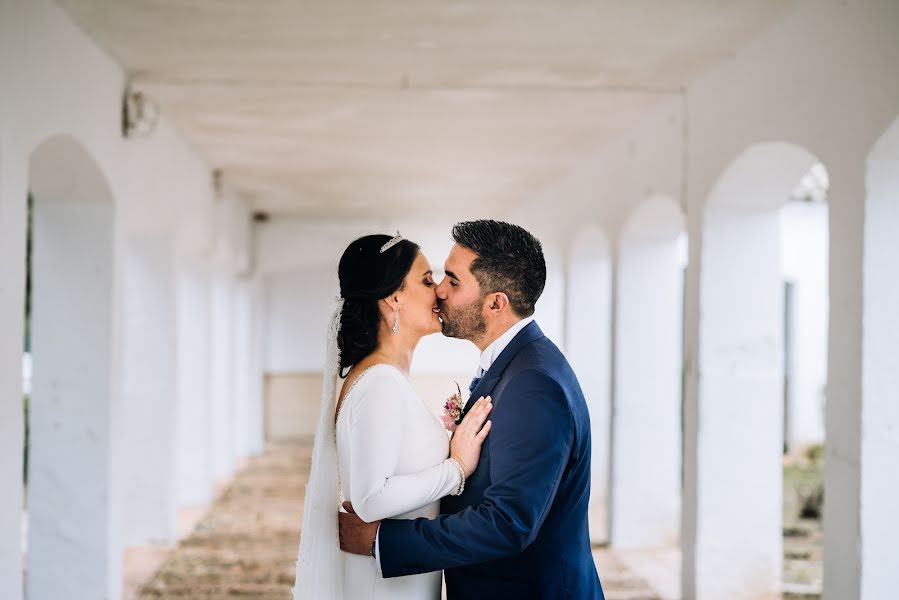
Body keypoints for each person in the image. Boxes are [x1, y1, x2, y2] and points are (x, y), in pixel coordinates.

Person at [339, 221, 605, 599]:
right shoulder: (514, 365)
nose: (440, 292)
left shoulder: (534, 383)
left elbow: (509, 522)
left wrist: (385, 541)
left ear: (496, 303)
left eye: (452, 280)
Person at [292, 233, 493, 600]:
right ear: (394, 298)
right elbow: (372, 498)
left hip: (400, 575)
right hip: (384, 587)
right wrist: (457, 469)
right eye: (426, 280)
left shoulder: (387, 377)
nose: (439, 291)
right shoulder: (379, 382)